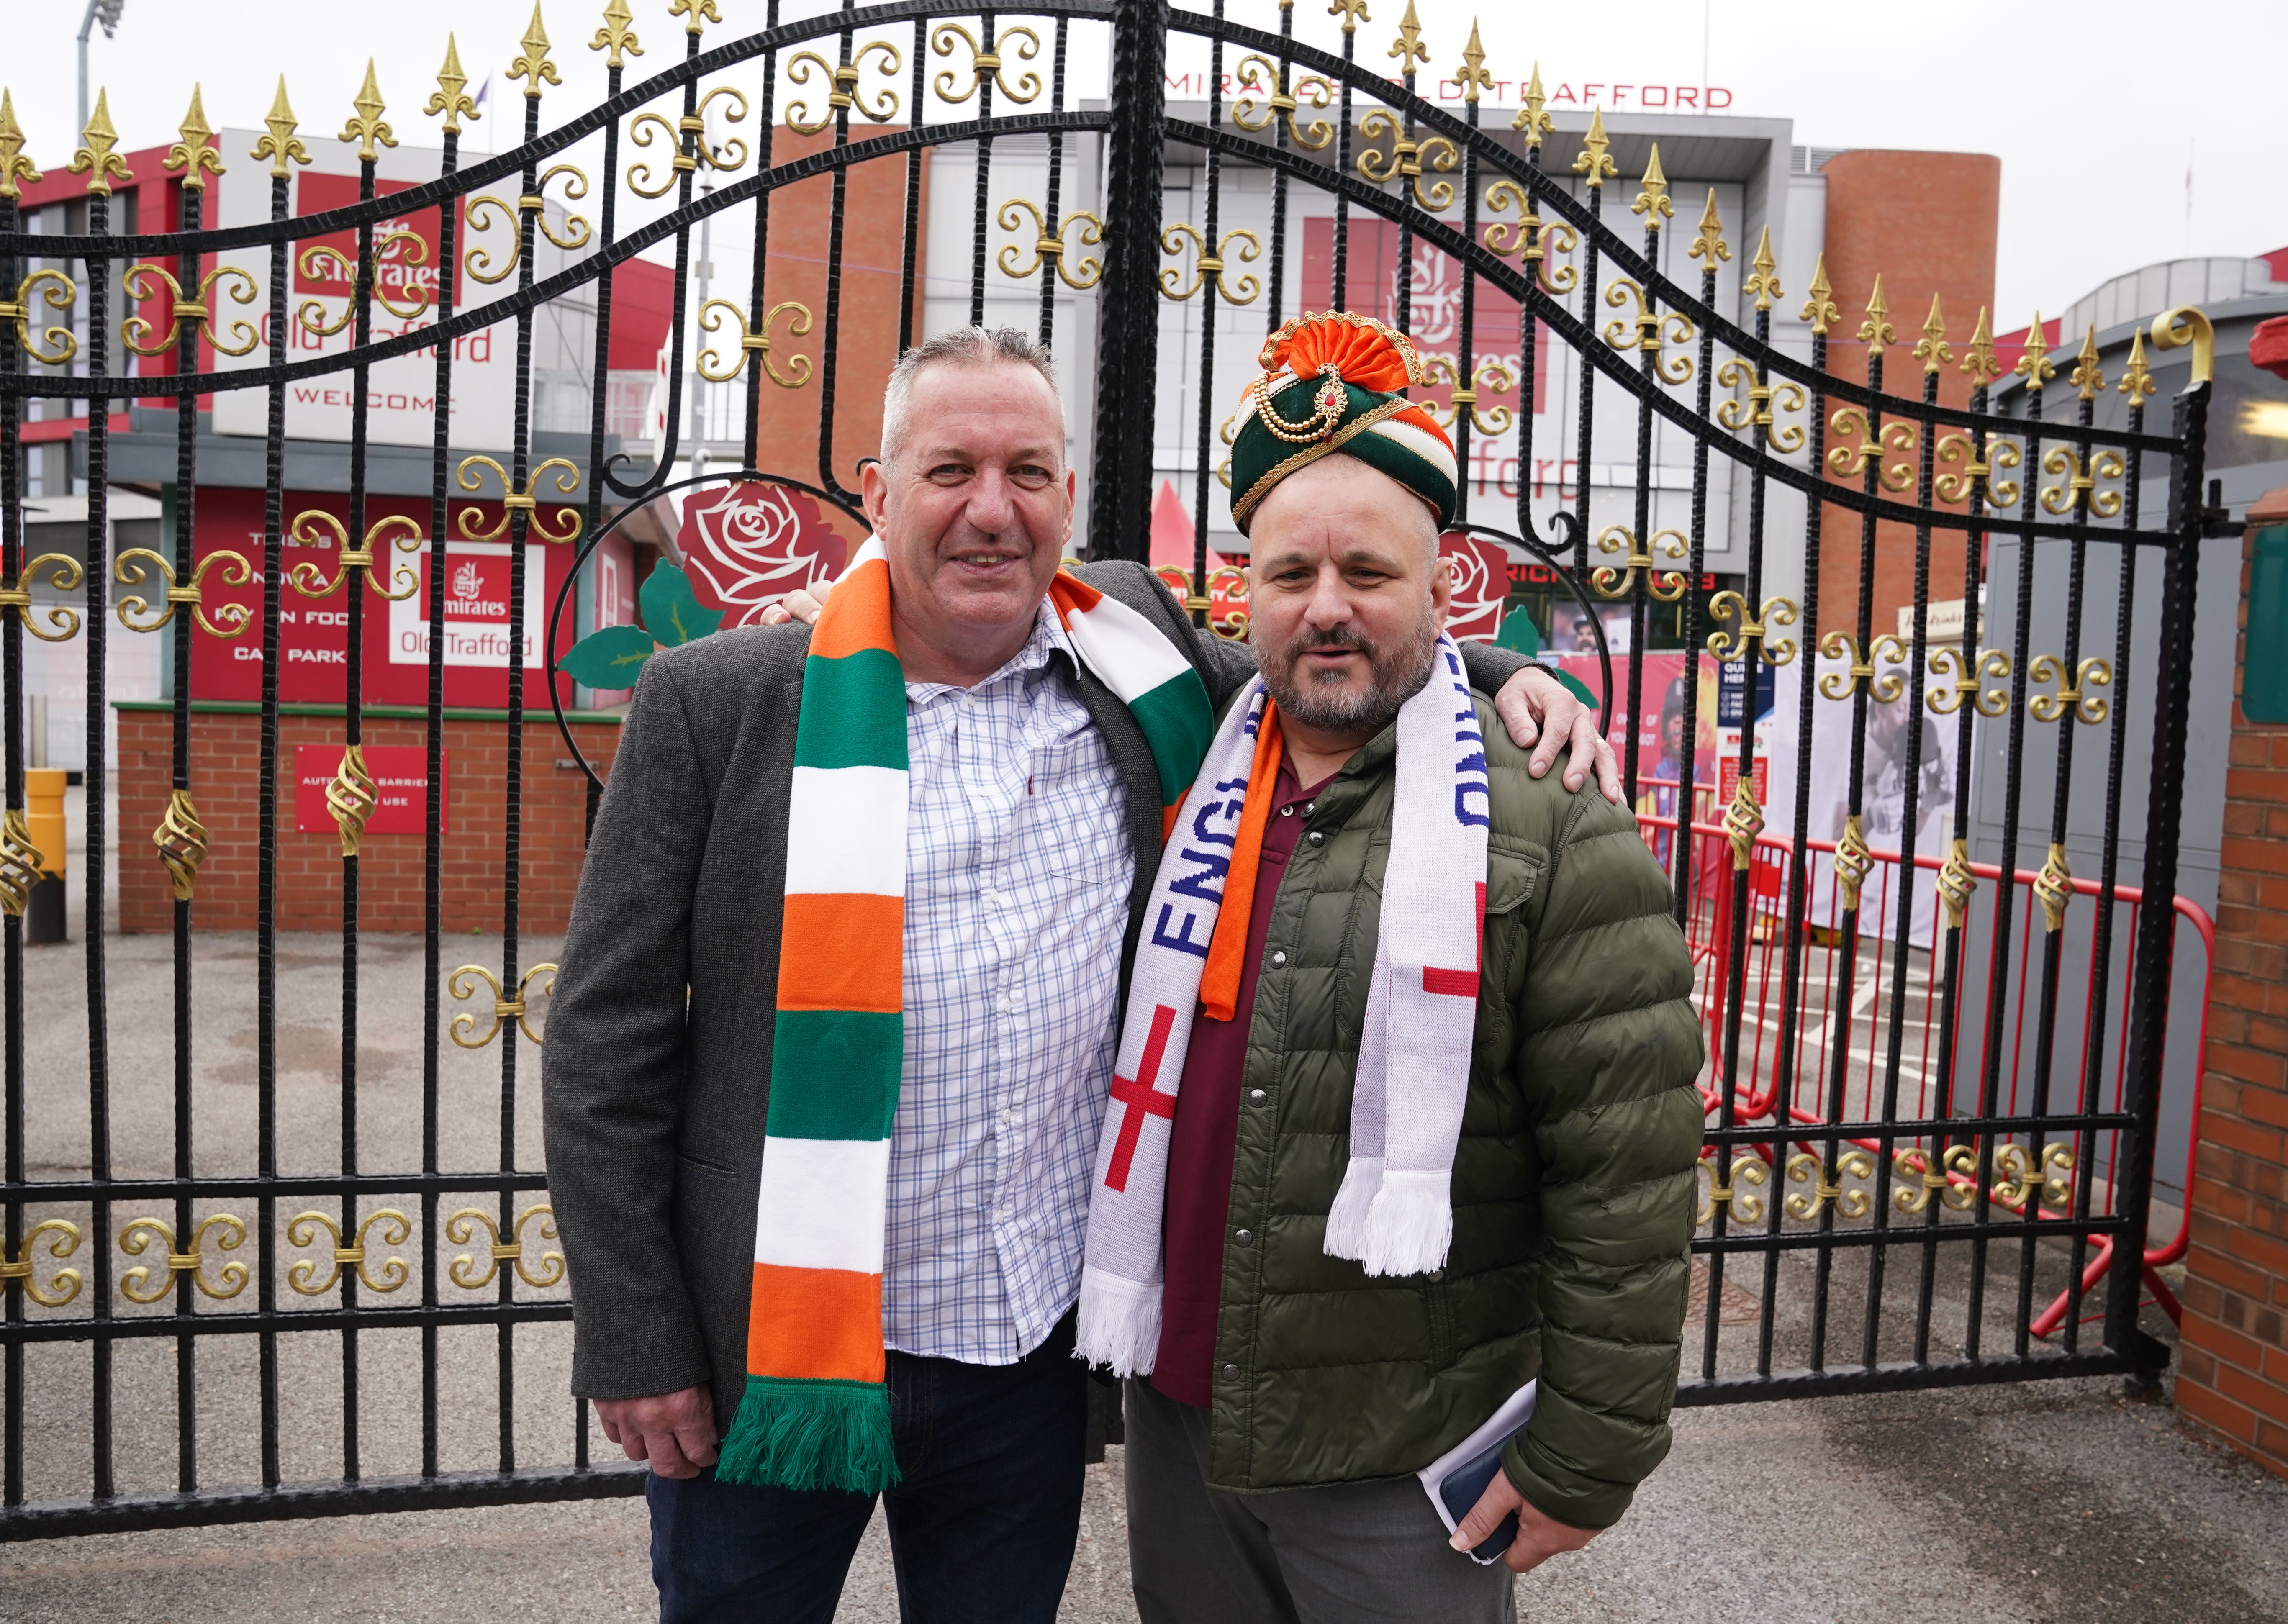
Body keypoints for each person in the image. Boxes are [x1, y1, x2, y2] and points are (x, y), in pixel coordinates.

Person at [542, 324, 1617, 1623]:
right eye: (948, 470)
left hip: (1020, 1354)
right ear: (876, 497)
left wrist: (1518, 676)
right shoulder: (718, 703)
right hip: (769, 1339)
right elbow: (606, 1044)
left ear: (1066, 499)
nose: (989, 510)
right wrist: (636, 1334)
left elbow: (1330, 649)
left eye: (1027, 472)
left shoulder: (1144, 667)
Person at [1079, 313, 1703, 1624]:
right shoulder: (1184, 749)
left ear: (1441, 589)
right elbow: (1026, 588)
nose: (1325, 608)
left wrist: (1589, 1453)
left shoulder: (1546, 814)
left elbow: (1624, 1165)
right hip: (1184, 1415)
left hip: (1398, 1452)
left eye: (1368, 570)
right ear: (1242, 589)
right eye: (1289, 571)